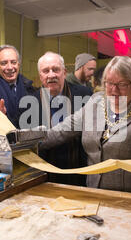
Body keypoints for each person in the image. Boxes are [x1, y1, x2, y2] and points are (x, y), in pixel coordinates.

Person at [39, 56, 131, 195]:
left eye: (121, 84)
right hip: (95, 192)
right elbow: (61, 130)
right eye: (109, 83)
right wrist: (22, 139)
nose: (114, 90)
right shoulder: (95, 101)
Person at [25, 52, 92, 186]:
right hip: (44, 176)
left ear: (64, 72)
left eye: (56, 69)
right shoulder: (28, 102)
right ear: (40, 76)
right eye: (46, 71)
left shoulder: (85, 96)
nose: (51, 75)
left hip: (79, 173)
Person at [0, 45, 36, 128]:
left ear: (19, 64)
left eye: (13, 62)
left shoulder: (30, 88)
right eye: (4, 63)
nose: (10, 67)